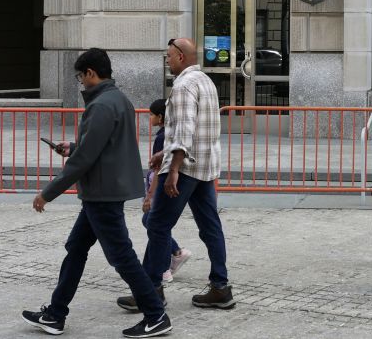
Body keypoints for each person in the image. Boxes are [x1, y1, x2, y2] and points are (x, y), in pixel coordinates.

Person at [21, 48, 171, 338]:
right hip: (102, 192)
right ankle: (55, 314)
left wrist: (48, 192)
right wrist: (73, 146)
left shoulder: (101, 105)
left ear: (91, 72)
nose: (80, 82)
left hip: (102, 193)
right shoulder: (119, 99)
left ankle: (155, 314)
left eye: (80, 76)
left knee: (122, 257)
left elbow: (85, 158)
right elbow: (101, 146)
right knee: (76, 249)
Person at [117, 38, 235, 311]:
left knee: (157, 224)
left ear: (181, 56)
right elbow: (196, 128)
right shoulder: (206, 81)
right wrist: (164, 153)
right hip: (206, 166)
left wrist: (172, 171)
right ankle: (221, 287)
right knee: (210, 226)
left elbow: (184, 130)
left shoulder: (182, 86)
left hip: (186, 169)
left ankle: (150, 291)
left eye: (169, 56)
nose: (167, 61)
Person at [143, 98, 192, 284]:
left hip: (162, 187)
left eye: (151, 115)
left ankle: (164, 267)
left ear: (161, 117)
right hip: (165, 185)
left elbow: (158, 169)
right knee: (153, 223)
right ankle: (175, 254)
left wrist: (150, 196)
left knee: (154, 224)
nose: (149, 118)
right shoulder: (166, 135)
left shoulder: (162, 138)